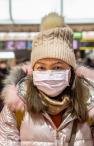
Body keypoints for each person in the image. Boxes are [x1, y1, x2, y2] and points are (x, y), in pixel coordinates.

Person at [0, 13, 94, 146]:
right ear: (33, 71)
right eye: (41, 68)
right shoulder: (17, 106)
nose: (49, 73)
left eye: (57, 67)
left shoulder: (90, 104)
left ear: (71, 71)